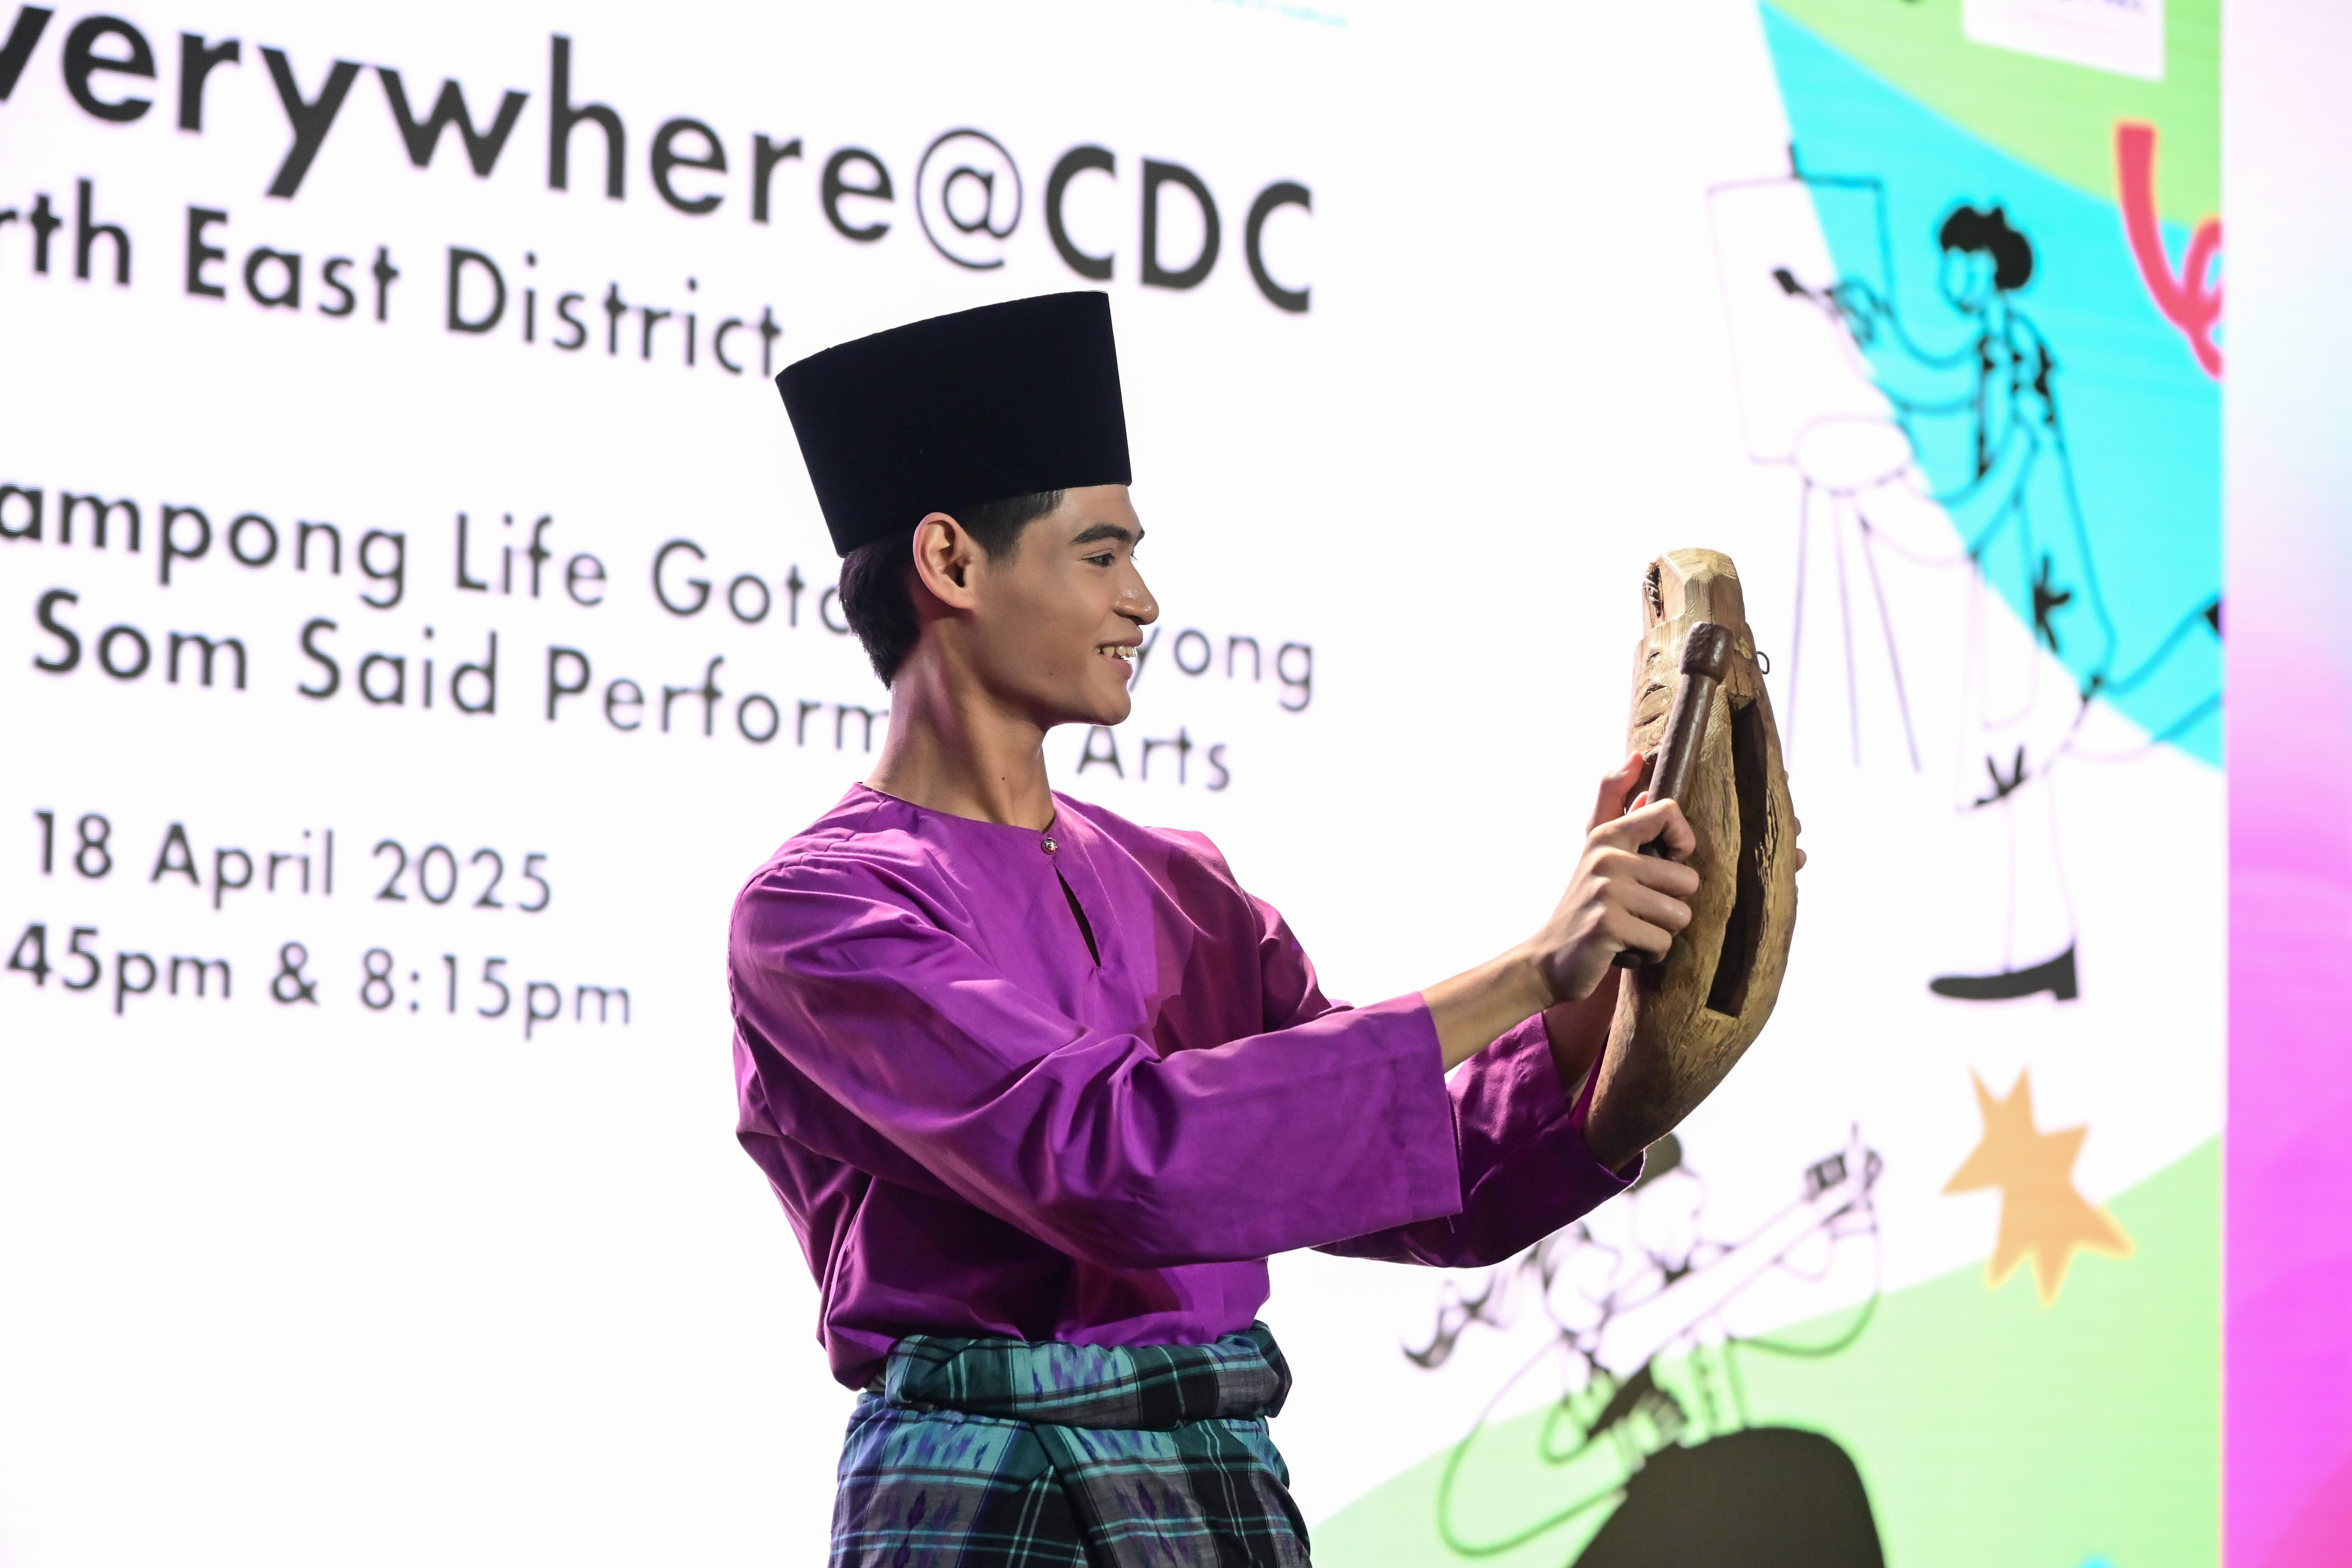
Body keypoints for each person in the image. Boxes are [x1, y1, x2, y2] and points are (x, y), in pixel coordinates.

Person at [730, 291, 1732, 1566]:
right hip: (983, 1486)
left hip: (1215, 1476)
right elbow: (1116, 1164)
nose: (1143, 600)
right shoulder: (822, 913)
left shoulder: (1183, 886)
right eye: (1101, 554)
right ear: (952, 564)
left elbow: (1420, 1174)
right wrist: (1532, 969)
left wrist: (1619, 998)